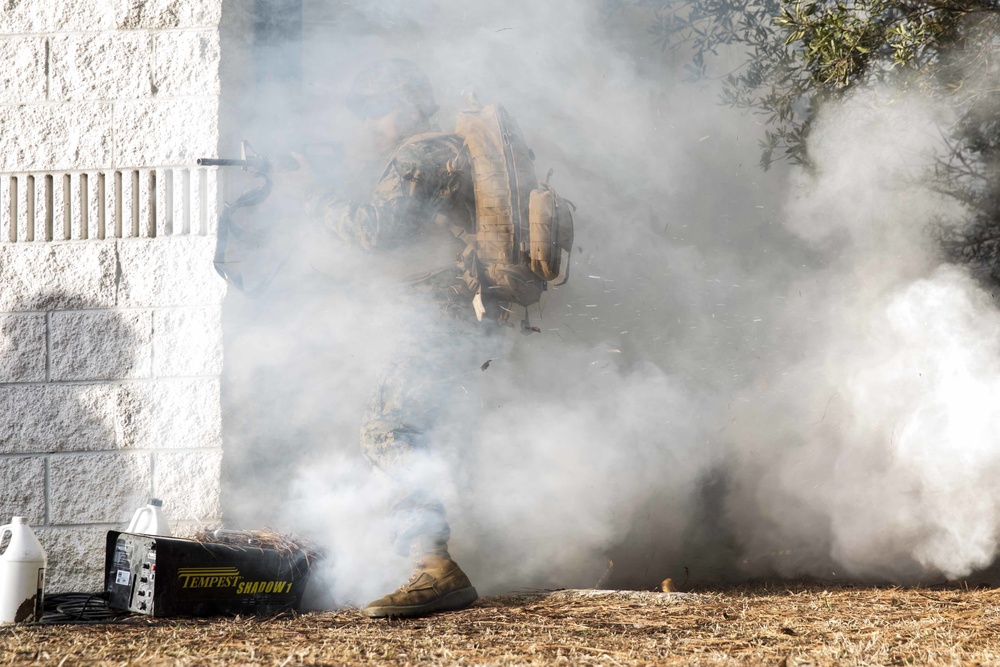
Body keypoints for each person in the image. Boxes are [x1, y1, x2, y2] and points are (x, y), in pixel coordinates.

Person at [285, 59, 503, 618]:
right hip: (455, 308)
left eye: (372, 112)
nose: (369, 126)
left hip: (441, 308)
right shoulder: (444, 150)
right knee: (414, 427)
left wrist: (311, 194)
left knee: (389, 428)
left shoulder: (421, 154)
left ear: (403, 105)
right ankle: (425, 559)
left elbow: (374, 232)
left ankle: (436, 569)